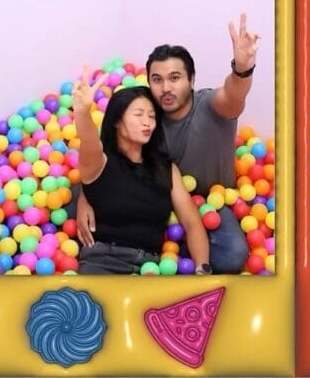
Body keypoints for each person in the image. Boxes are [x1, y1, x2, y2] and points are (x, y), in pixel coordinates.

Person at [77, 14, 260, 274]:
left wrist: (242, 69)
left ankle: (173, 250)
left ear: (191, 80)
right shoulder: (148, 114)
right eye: (157, 79)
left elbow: (233, 94)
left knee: (231, 255)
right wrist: (86, 195)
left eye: (175, 78)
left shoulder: (211, 105)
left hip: (211, 199)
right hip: (155, 198)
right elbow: (100, 157)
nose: (165, 88)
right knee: (73, 196)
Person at [72, 74, 210, 275]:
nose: (147, 123)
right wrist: (83, 113)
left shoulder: (166, 169)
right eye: (139, 115)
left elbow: (191, 222)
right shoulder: (99, 163)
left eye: (152, 116)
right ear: (116, 121)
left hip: (150, 268)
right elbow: (89, 141)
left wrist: (202, 268)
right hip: (102, 263)